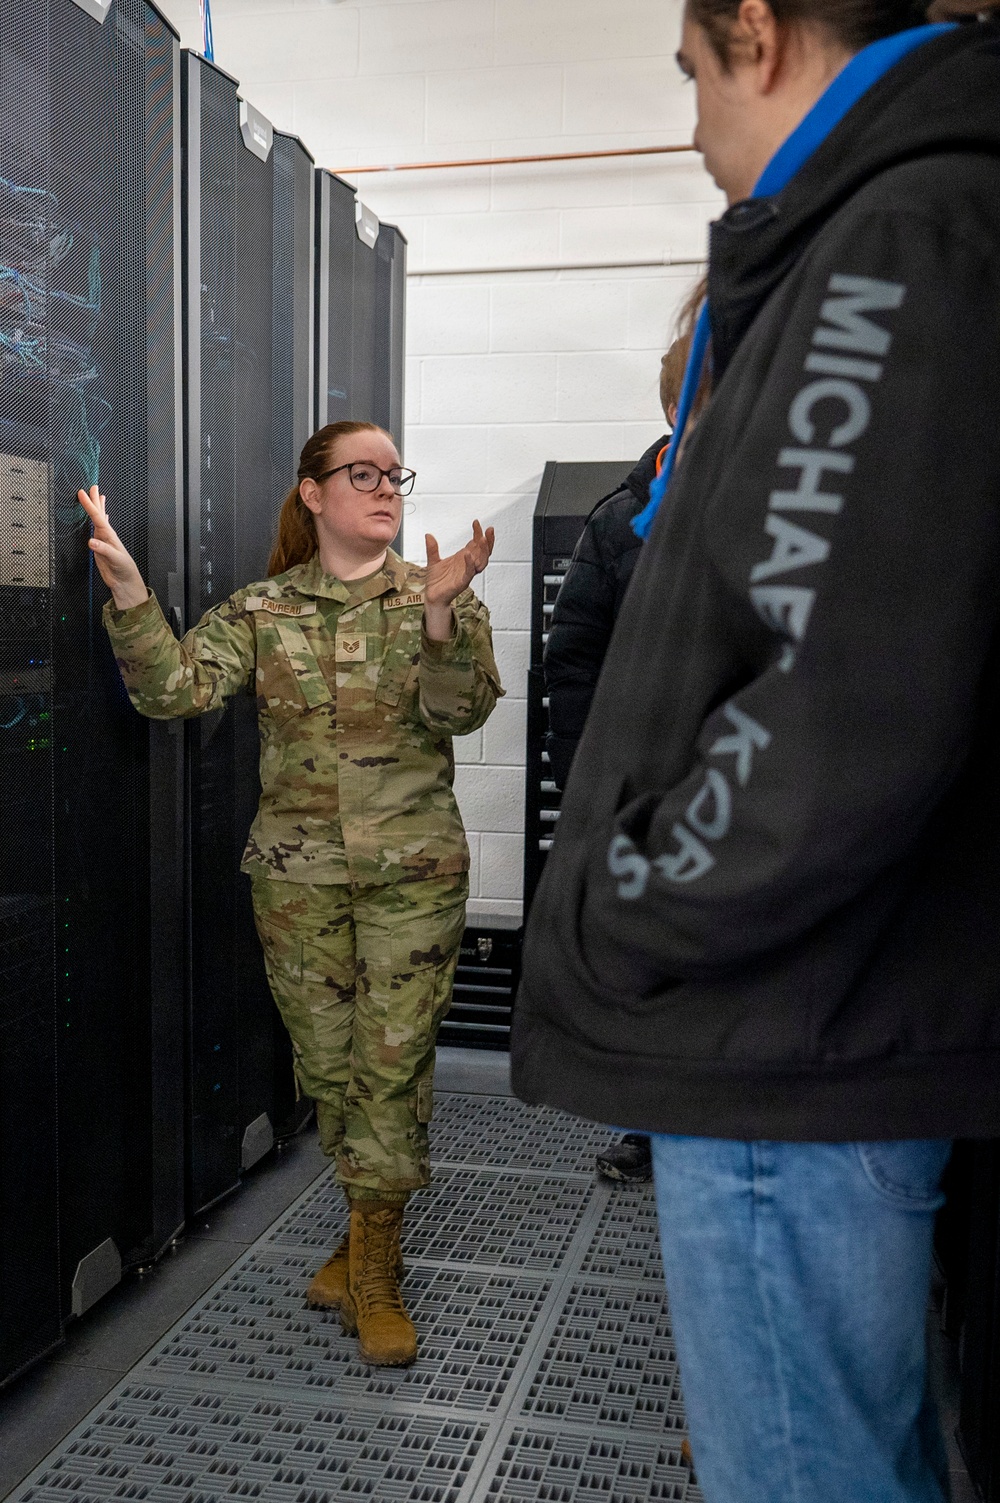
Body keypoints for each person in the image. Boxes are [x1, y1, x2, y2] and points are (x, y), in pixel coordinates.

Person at [512, 2, 1000, 1499]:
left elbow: (840, 682)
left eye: (692, 80)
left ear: (758, 31)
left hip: (785, 1022)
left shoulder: (895, 234)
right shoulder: (891, 226)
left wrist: (645, 900)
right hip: (826, 1013)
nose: (697, 126)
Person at [81, 420, 503, 1369]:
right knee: (328, 1068)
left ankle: (377, 1267)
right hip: (298, 879)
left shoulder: (440, 594)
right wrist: (131, 593)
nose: (387, 488)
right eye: (364, 473)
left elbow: (459, 710)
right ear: (313, 493)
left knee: (388, 1065)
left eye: (396, 474)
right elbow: (175, 692)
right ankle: (361, 1229)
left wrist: (439, 617)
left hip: (411, 877)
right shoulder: (264, 608)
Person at [543, 308, 701, 1184]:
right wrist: (587, 791)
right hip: (644, 790)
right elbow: (574, 665)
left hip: (744, 783)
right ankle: (649, 1127)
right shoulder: (618, 521)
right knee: (645, 956)